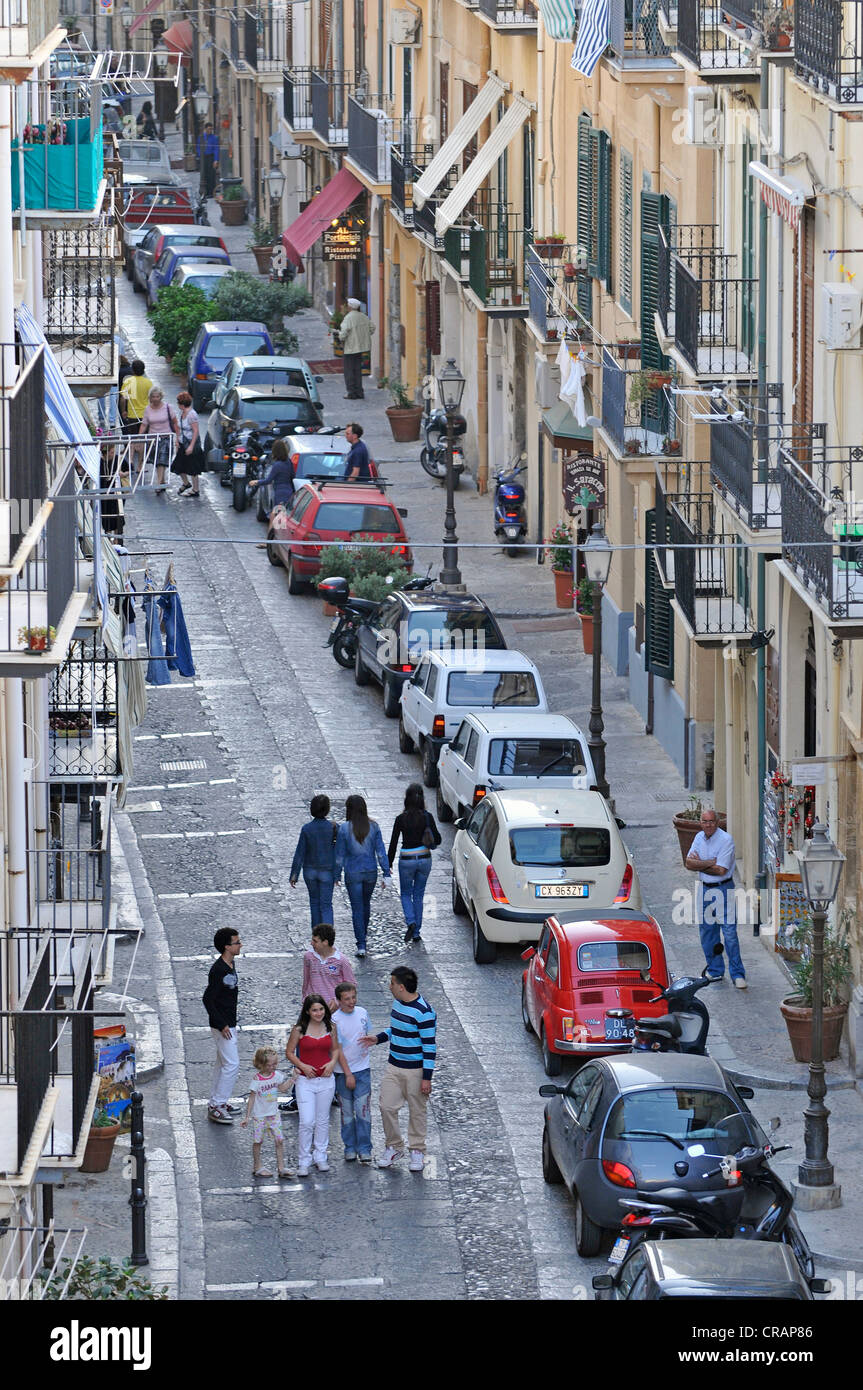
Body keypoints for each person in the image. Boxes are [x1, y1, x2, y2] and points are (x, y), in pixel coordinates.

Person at [361, 966, 436, 1171]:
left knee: (417, 1111)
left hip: (415, 1070)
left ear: (401, 987)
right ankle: (394, 1146)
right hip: (394, 1066)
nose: (389, 986)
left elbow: (429, 1047)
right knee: (386, 1106)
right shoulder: (397, 1004)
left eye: (392, 983)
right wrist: (378, 1039)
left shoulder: (424, 1013)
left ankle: (417, 1149)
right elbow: (395, 1029)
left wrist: (426, 1078)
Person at [285, 994, 347, 1175]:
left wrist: (331, 1064)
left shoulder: (331, 1027)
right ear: (307, 1011)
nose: (318, 1013)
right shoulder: (299, 1029)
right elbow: (289, 1052)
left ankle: (320, 1156)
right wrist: (303, 1066)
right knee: (307, 1121)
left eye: (321, 1009)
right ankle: (304, 1160)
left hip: (327, 1081)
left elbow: (335, 1049)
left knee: (322, 1120)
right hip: (305, 1081)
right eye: (314, 1010)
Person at [685, 809, 746, 988]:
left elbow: (721, 871)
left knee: (730, 934)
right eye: (705, 821)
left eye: (711, 821)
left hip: (723, 888)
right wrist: (711, 862)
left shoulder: (726, 839)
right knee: (707, 932)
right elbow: (688, 863)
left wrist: (700, 864)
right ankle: (715, 969)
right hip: (705, 890)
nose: (708, 824)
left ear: (717, 822)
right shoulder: (698, 838)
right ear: (701, 823)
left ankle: (738, 974)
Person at [334, 794, 391, 958]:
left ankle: (361, 943)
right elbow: (381, 852)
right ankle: (363, 936)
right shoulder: (374, 827)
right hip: (370, 872)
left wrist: (336, 874)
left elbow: (340, 855)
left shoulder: (344, 828)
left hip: (353, 873)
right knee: (366, 905)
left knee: (357, 908)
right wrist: (386, 872)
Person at [388, 783, 442, 944]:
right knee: (418, 895)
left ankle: (410, 921)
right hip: (425, 858)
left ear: (406, 799)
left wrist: (388, 863)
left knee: (405, 894)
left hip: (407, 859)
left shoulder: (400, 819)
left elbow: (393, 843)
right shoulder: (427, 817)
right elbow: (438, 839)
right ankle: (417, 932)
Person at [202, 927, 242, 1124]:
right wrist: (221, 1024)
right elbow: (208, 999)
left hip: (228, 1023)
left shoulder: (230, 964)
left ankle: (216, 1101)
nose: (240, 945)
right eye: (236, 942)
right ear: (227, 947)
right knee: (232, 1064)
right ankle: (217, 1104)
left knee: (222, 1063)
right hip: (223, 1026)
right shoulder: (219, 970)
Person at [240, 1046, 296, 1178]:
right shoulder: (257, 1080)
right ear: (261, 1065)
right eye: (270, 1065)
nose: (273, 1067)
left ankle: (281, 1167)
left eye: (275, 1064)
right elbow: (252, 1097)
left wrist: (293, 1079)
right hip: (259, 1116)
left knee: (279, 1140)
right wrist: (247, 1117)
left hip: (273, 1114)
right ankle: (257, 1166)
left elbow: (282, 1089)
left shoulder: (276, 1076)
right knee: (258, 1141)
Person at [332, 982, 373, 1163]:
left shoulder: (363, 1013)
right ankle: (350, 1146)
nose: (351, 1002)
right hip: (343, 1073)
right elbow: (337, 1049)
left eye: (353, 997)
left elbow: (366, 1034)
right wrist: (348, 1073)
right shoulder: (334, 1020)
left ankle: (364, 1147)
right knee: (347, 1112)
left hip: (363, 1070)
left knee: (363, 1110)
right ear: (339, 1001)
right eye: (347, 999)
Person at [301, 923, 357, 1008]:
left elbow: (351, 985)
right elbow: (306, 980)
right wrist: (305, 997)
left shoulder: (341, 961)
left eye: (315, 941)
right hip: (313, 1005)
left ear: (325, 942)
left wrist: (338, 1001)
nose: (311, 943)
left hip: (332, 1008)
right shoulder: (309, 957)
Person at [139, 386, 180, 494]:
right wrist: (139, 437)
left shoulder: (167, 407)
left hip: (166, 437)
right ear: (150, 398)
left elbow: (175, 422)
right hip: (153, 439)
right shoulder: (148, 409)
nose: (156, 399)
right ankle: (162, 481)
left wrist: (177, 437)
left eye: (158, 396)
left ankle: (158, 483)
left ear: (161, 397)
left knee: (162, 460)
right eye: (153, 397)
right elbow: (144, 424)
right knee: (157, 462)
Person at [338, 297, 375, 400]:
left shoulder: (348, 318)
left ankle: (351, 392)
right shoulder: (363, 316)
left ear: (349, 307)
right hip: (360, 348)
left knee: (349, 370)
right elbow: (372, 328)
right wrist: (364, 335)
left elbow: (343, 333)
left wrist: (340, 337)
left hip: (350, 348)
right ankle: (359, 392)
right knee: (358, 370)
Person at [249, 438, 296, 519]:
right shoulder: (288, 462)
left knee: (276, 518)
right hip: (289, 491)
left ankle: (273, 531)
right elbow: (293, 475)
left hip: (280, 493)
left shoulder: (277, 465)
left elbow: (268, 480)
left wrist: (256, 482)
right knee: (283, 517)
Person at [171, 391, 205, 497]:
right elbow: (179, 429)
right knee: (178, 466)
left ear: (181, 404)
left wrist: (191, 446)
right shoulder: (183, 413)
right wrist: (177, 440)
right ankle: (186, 483)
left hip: (190, 444)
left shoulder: (192, 415)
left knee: (193, 468)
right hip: (183, 444)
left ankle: (195, 490)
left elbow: (195, 431)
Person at [119, 360, 153, 439]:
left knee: (134, 438)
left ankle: (133, 450)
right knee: (145, 437)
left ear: (133, 370)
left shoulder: (128, 381)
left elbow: (123, 399)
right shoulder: (148, 382)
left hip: (132, 415)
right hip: (145, 414)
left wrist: (123, 411)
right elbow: (151, 398)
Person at [197, 122, 220, 198]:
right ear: (205, 129)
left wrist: (216, 160)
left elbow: (216, 149)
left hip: (211, 157)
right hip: (203, 157)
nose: (210, 130)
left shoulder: (214, 138)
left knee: (211, 175)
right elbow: (198, 148)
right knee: (204, 174)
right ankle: (204, 192)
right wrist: (200, 157)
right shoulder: (201, 137)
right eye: (209, 129)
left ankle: (211, 192)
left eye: (211, 129)